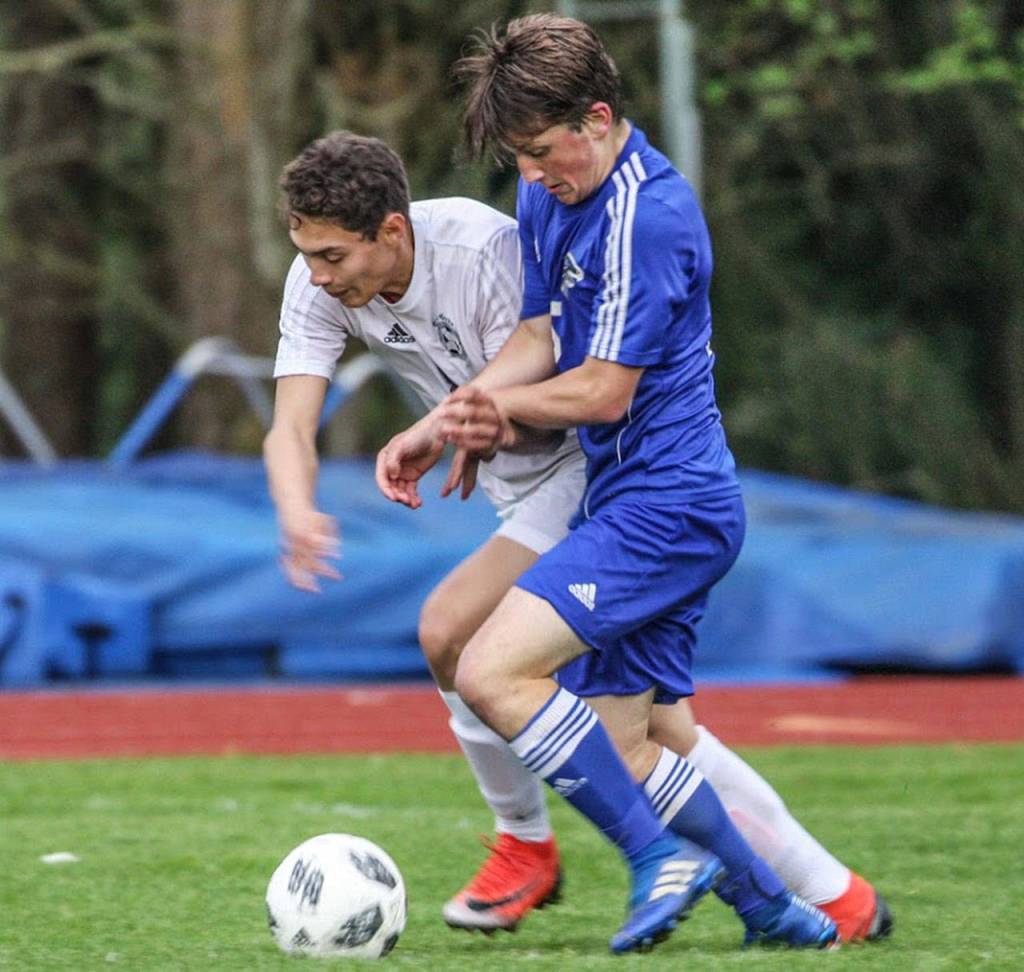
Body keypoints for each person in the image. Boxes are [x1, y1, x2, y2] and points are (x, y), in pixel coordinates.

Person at [264, 128, 888, 951]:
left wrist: (457, 427)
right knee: (659, 738)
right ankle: (824, 898)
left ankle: (533, 843)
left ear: (393, 230)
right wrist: (298, 510)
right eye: (305, 252)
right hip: (533, 491)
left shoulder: (484, 249)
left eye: (333, 255)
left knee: (455, 633)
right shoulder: (317, 281)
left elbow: (563, 379)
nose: (316, 273)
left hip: (592, 480)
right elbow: (289, 429)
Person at [427, 13, 883, 953]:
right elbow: (543, 336)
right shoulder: (552, 190)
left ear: (597, 119)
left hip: (667, 509)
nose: (535, 175)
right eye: (519, 157)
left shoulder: (650, 213)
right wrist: (454, 412)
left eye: (545, 151)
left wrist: (503, 417)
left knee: (487, 667)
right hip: (633, 504)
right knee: (628, 746)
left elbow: (601, 392)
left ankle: (656, 860)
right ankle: (776, 912)